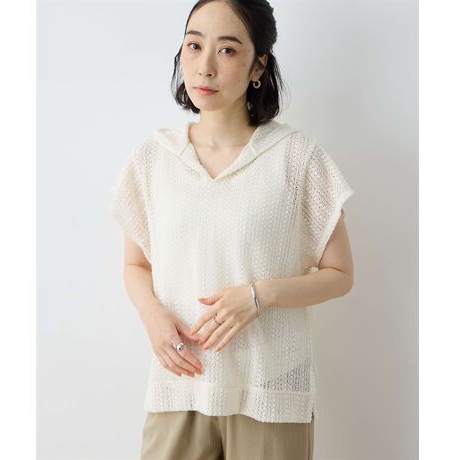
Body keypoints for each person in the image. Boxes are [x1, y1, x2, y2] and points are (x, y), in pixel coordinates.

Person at [109, 0, 355, 459]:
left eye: (226, 50)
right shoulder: (153, 159)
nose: (205, 67)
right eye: (194, 45)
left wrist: (259, 296)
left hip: (270, 389)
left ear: (258, 64)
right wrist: (151, 314)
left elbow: (340, 274)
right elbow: (135, 264)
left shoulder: (296, 157)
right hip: (180, 382)